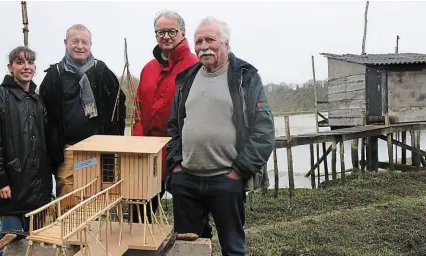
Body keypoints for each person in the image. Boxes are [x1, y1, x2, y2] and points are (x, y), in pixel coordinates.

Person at [166, 17, 275, 255]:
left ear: (226, 44)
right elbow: (174, 126)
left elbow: (264, 131)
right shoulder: (187, 79)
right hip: (186, 181)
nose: (203, 46)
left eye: (210, 40)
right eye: (198, 41)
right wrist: (175, 167)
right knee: (188, 249)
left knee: (233, 248)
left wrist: (239, 171)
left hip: (226, 180)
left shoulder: (245, 77)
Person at [132, 10, 212, 238]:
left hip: (184, 155)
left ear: (182, 33)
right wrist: (139, 145)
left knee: (191, 220)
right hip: (148, 156)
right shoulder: (148, 68)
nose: (165, 36)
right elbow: (138, 109)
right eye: (160, 32)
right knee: (140, 214)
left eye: (171, 31)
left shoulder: (196, 66)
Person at [0, 46, 53, 256]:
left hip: (38, 185)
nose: (26, 67)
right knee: (9, 238)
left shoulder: (38, 101)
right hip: (11, 183)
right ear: (10, 67)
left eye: (30, 62)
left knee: (32, 241)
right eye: (20, 62)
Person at [40, 24, 126, 198]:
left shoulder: (101, 71)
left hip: (98, 147)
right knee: (67, 189)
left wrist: (114, 139)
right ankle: (68, 225)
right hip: (68, 148)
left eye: (84, 42)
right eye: (75, 41)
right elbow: (43, 113)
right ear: (66, 43)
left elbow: (119, 106)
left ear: (90, 44)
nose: (80, 46)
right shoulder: (55, 74)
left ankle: (96, 226)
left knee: (98, 192)